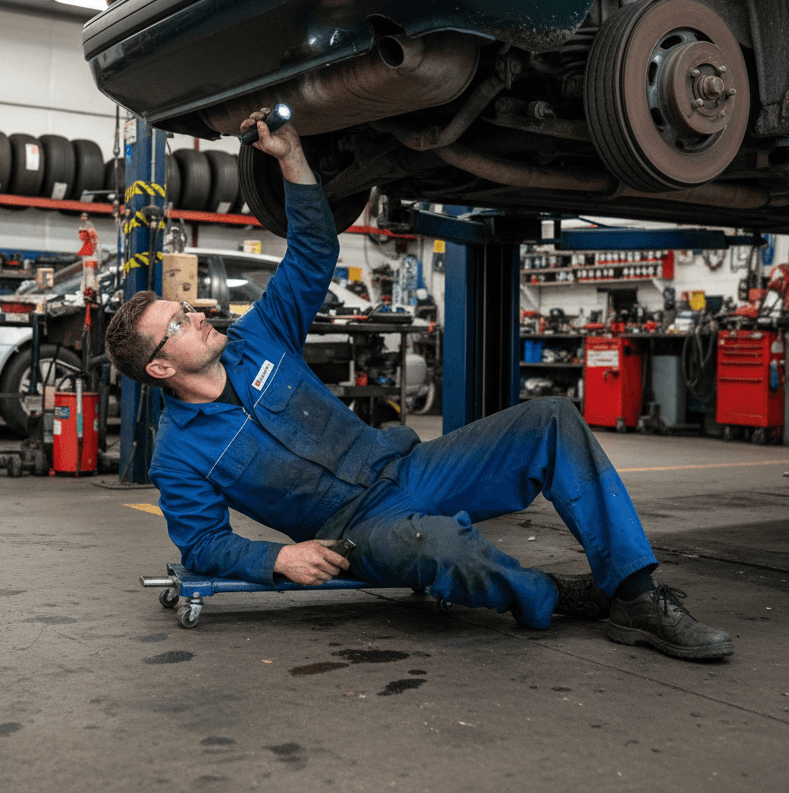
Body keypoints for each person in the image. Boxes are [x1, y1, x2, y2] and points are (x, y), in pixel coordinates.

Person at [105, 110, 733, 661]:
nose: (197, 315)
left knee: (551, 420)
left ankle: (637, 597)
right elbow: (203, 545)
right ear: (160, 368)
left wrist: (291, 158)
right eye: (178, 324)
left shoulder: (259, 336)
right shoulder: (178, 455)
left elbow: (312, 254)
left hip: (406, 468)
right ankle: (552, 594)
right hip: (357, 527)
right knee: (441, 546)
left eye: (184, 308)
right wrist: (278, 559)